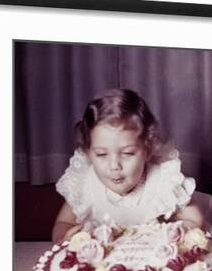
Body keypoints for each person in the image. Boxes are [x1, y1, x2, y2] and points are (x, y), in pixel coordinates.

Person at [52, 88, 203, 244]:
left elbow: (194, 218)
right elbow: (63, 224)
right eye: (102, 155)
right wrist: (65, 238)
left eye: (128, 153)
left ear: (148, 150)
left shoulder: (164, 181)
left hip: (154, 261)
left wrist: (177, 233)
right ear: (88, 152)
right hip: (104, 265)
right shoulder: (84, 184)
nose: (114, 166)